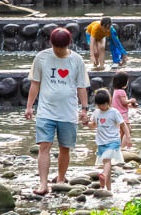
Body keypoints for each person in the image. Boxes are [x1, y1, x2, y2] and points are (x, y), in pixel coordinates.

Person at [24, 28, 90, 196]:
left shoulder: (77, 60)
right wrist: (29, 106)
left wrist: (84, 108)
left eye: (61, 48)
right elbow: (35, 83)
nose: (58, 51)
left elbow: (82, 86)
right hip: (46, 110)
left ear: (68, 45)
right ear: (51, 44)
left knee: (65, 148)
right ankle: (43, 184)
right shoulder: (42, 58)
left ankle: (60, 178)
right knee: (44, 146)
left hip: (68, 111)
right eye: (56, 47)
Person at [89, 88, 128, 191]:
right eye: (99, 105)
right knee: (108, 164)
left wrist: (128, 137)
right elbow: (93, 125)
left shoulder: (114, 112)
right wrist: (85, 123)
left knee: (107, 162)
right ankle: (108, 189)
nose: (102, 107)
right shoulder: (97, 112)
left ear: (109, 102)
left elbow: (123, 125)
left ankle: (103, 174)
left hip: (113, 141)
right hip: (101, 142)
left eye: (104, 104)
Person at [110, 71, 137, 149]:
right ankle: (122, 147)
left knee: (121, 132)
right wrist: (131, 100)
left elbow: (121, 104)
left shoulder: (115, 91)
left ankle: (118, 147)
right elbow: (124, 102)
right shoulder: (121, 92)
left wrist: (130, 105)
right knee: (128, 130)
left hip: (117, 114)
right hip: (122, 115)